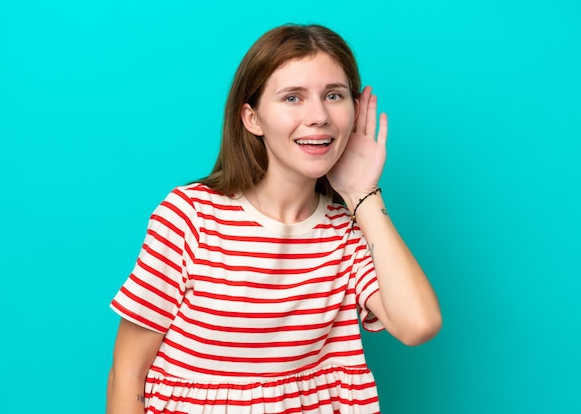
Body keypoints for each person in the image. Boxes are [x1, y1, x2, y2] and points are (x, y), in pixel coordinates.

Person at [106, 24, 442, 414]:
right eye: (292, 97)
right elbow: (127, 372)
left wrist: (362, 195)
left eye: (333, 95)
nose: (318, 116)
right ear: (252, 119)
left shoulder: (347, 232)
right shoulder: (190, 216)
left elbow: (419, 325)